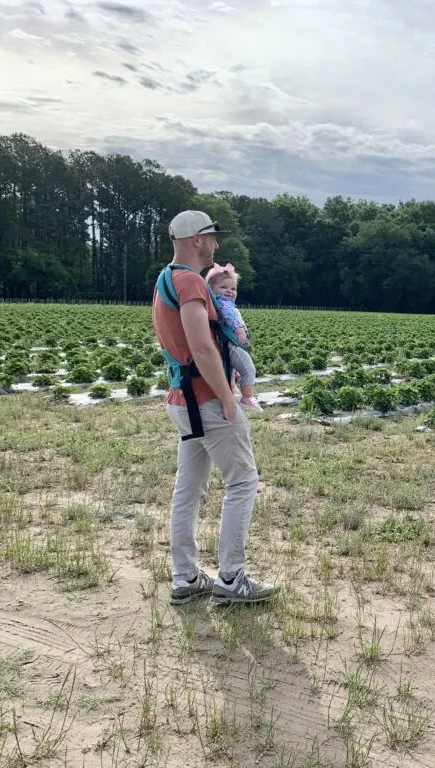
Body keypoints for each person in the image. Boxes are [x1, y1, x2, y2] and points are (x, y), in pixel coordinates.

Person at [152, 209, 275, 607]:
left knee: (187, 490)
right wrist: (227, 396)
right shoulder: (189, 282)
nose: (216, 244)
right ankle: (231, 577)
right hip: (205, 399)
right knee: (243, 481)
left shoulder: (165, 279)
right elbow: (201, 344)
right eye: (212, 237)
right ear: (196, 239)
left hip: (181, 399)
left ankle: (186, 577)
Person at [205, 262, 263, 412]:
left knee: (230, 369)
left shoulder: (218, 302)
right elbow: (230, 317)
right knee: (248, 368)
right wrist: (239, 331)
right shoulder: (224, 303)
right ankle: (248, 397)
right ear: (211, 289)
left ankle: (233, 388)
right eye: (223, 287)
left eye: (233, 288)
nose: (229, 291)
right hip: (229, 343)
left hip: (223, 344)